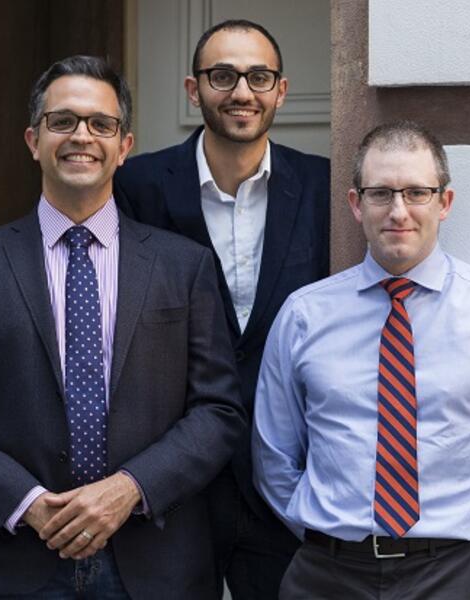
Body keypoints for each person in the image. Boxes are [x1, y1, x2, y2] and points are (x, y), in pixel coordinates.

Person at [0, 55, 246, 598]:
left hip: (153, 563)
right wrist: (27, 503)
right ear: (33, 140)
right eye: (63, 121)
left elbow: (219, 410)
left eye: (102, 124)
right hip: (14, 563)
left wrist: (129, 489)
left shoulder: (183, 265)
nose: (83, 136)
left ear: (124, 147)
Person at [253, 120, 470, 599]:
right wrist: (331, 540)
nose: (398, 211)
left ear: (444, 203)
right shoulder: (304, 316)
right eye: (381, 193)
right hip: (329, 577)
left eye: (416, 193)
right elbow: (274, 459)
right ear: (355, 204)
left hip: (457, 574)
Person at [113, 19, 329, 598]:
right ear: (193, 89)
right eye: (223, 76)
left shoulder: (323, 186)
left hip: (285, 475)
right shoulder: (137, 185)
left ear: (281, 91)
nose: (241, 92)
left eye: (259, 77)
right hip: (175, 473)